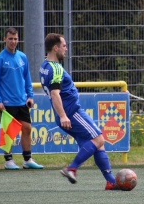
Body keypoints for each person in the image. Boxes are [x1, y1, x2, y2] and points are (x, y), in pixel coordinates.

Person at [39, 33, 118, 190]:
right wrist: (63, 115)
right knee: (99, 140)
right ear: (55, 48)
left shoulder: (45, 66)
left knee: (96, 145)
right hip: (71, 113)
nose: (66, 49)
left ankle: (111, 182)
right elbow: (55, 94)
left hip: (66, 113)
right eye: (64, 46)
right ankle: (71, 168)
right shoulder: (55, 69)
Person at [0, 27, 43, 170]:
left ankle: (27, 160)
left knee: (27, 128)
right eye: (10, 39)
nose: (13, 41)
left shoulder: (22, 57)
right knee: (8, 132)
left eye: (15, 39)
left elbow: (27, 78)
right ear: (4, 39)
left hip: (22, 102)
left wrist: (30, 96)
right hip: (7, 103)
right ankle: (8, 161)